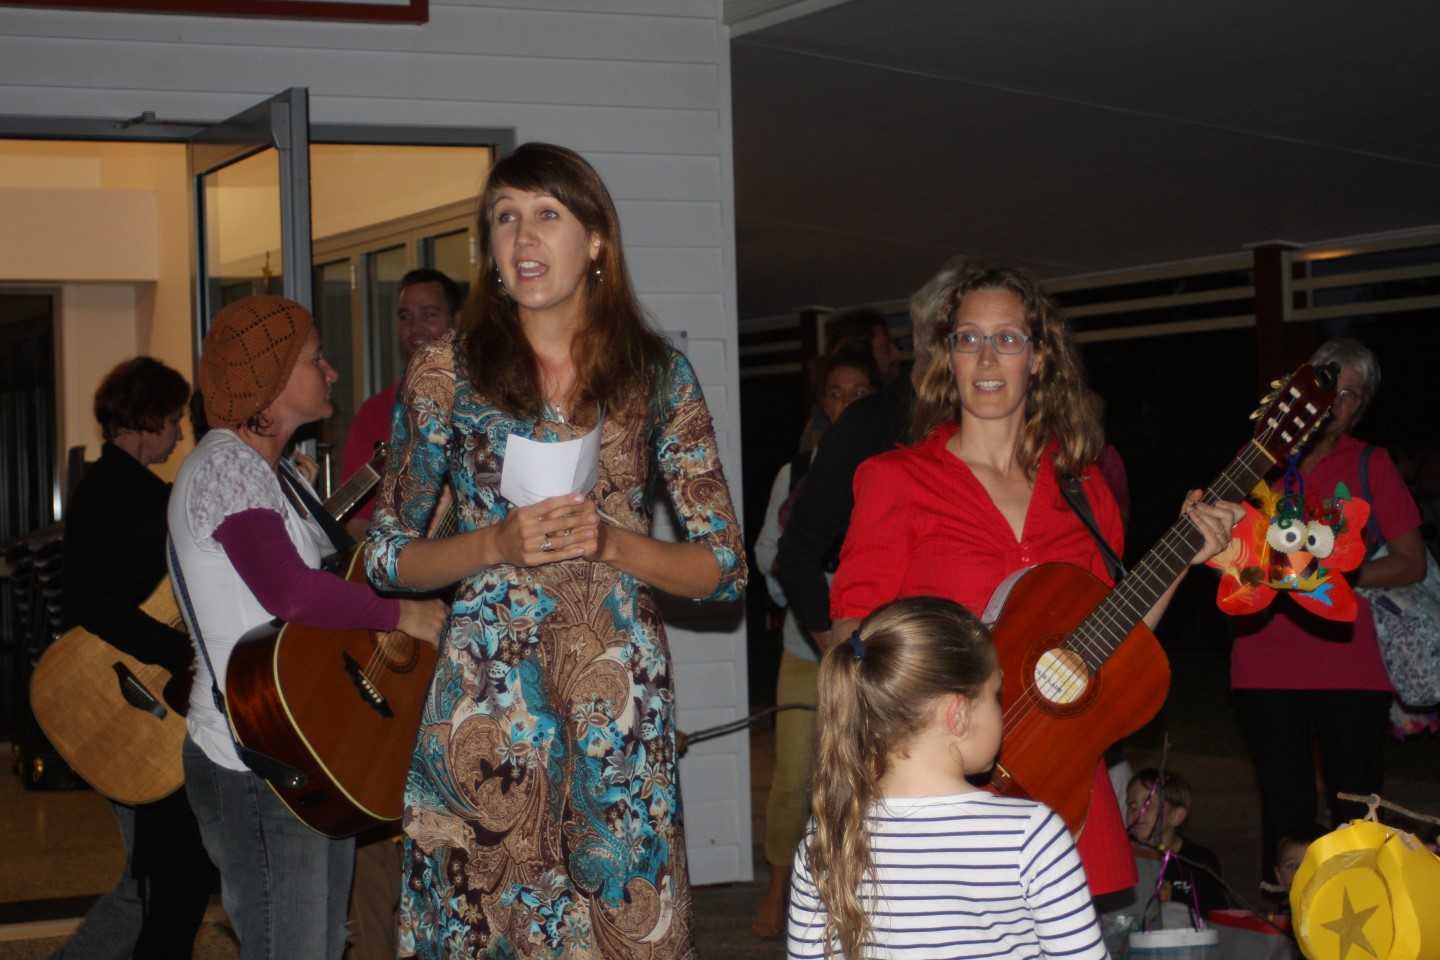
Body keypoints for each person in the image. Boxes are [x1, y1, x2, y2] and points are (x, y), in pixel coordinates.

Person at [363, 142, 747, 959]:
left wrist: (613, 542)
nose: (523, 237)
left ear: (596, 240)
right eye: (505, 218)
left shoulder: (656, 376)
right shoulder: (445, 374)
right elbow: (387, 555)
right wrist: (493, 542)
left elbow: (723, 569)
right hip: (483, 715)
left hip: (614, 721)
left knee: (620, 933)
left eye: (547, 215)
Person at [826, 261, 1242, 896]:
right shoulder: (896, 480)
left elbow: (1113, 635)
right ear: (948, 357)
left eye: (1009, 338)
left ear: (1039, 358)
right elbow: (854, 635)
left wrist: (1184, 555)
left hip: (1072, 797)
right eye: (969, 338)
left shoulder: (1084, 488)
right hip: (945, 797)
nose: (987, 357)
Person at [169, 295, 447, 960]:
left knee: (318, 946)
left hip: (300, 751)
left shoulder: (268, 475)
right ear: (268, 378)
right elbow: (290, 593)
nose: (332, 373)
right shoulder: (227, 467)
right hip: (255, 761)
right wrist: (402, 614)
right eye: (315, 359)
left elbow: (326, 587)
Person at [786, 596, 1107, 960]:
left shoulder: (828, 837)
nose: (1001, 709)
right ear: (956, 714)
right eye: (994, 695)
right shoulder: (1030, 836)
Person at [1230, 337, 1426, 880]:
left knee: (1356, 813)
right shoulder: (1258, 460)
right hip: (1263, 662)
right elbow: (1225, 546)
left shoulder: (1371, 463)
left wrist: (1330, 572)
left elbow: (1413, 563)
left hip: (1350, 666)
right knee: (1283, 809)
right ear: (1300, 393)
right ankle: (1287, 925)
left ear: (1358, 408)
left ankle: (1362, 916)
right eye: (1326, 388)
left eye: (1349, 396)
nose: (1334, 404)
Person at [57, 356, 215, 959]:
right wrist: (180, 652)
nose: (178, 433)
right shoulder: (121, 494)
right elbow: (95, 605)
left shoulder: (125, 489)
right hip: (133, 698)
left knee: (160, 879)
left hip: (144, 696)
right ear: (146, 417)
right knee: (164, 880)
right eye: (172, 419)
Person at [776, 257, 969, 654]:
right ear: (934, 341)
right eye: (969, 337)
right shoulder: (867, 425)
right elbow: (797, 553)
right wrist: (839, 654)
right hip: (896, 663)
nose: (984, 356)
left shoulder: (988, 426)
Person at [750, 344, 877, 938]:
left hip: (872, 656)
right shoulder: (795, 473)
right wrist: (802, 605)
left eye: (858, 393)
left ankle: (857, 891)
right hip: (807, 648)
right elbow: (770, 554)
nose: (846, 402)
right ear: (822, 403)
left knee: (866, 778)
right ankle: (778, 888)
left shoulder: (891, 469)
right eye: (836, 392)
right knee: (795, 775)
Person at [340, 267, 464, 541]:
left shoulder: (489, 402)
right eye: (405, 317)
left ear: (457, 320)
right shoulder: (376, 412)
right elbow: (356, 521)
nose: (415, 329)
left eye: (429, 315)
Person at [1123, 768, 1228, 917]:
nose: (1138, 813)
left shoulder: (1199, 862)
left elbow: (1217, 913)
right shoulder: (1121, 856)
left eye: (1147, 805)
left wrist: (1176, 897)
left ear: (1176, 816)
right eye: (1132, 806)